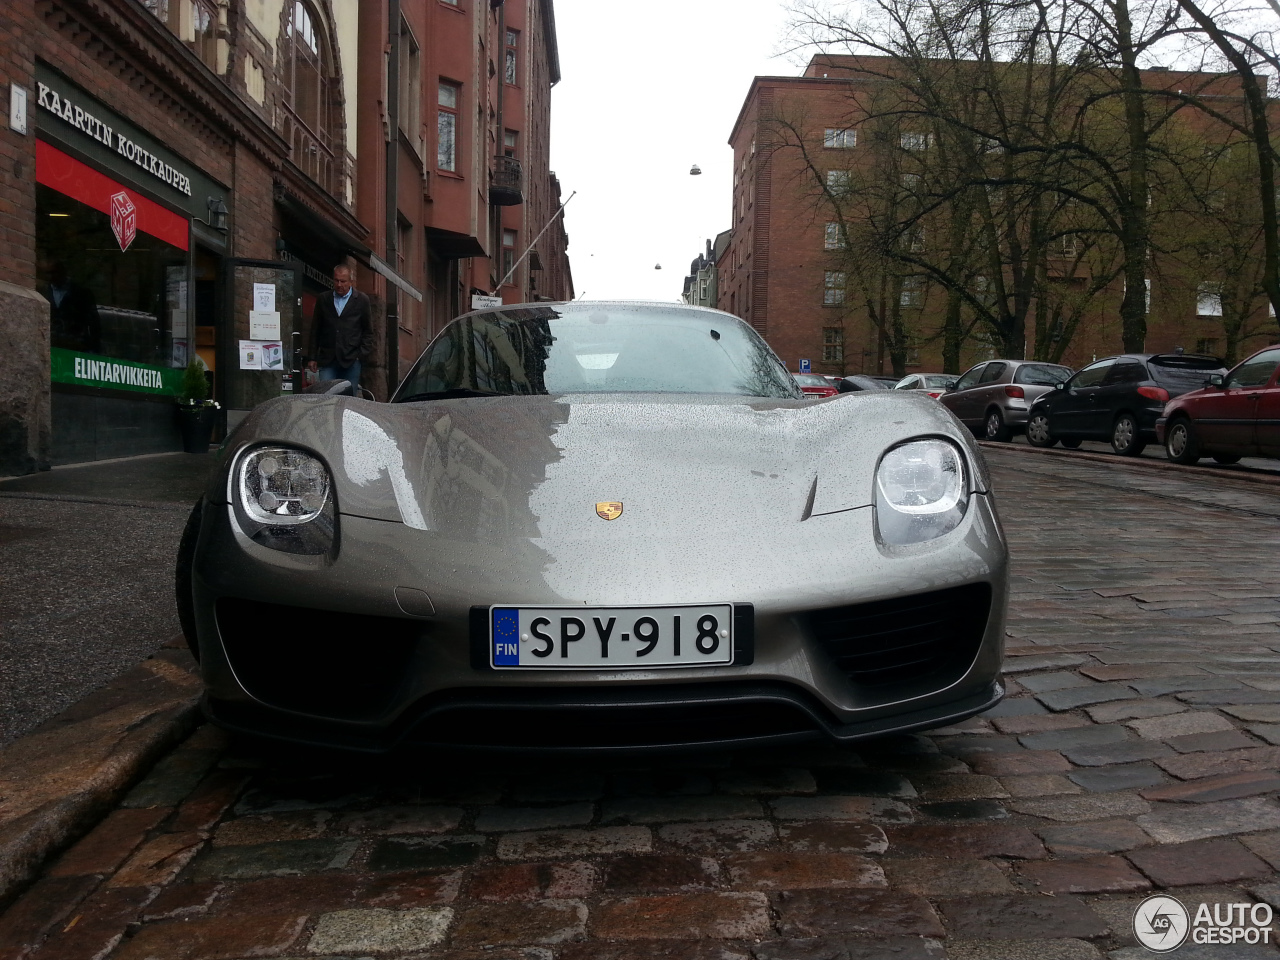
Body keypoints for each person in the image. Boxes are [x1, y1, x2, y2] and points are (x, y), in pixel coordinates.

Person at [307, 264, 373, 396]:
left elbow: (368, 331)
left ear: (350, 282)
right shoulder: (324, 299)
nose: (339, 284)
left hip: (351, 359)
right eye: (336, 280)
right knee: (327, 397)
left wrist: (360, 355)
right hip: (328, 359)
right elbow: (316, 329)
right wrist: (312, 357)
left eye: (343, 281)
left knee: (348, 400)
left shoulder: (361, 300)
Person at [40, 259, 102, 353]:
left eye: (54, 273)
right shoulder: (43, 292)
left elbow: (94, 321)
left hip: (76, 345)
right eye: (48, 273)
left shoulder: (82, 292)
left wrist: (95, 347)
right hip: (51, 344)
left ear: (62, 272)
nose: (51, 277)